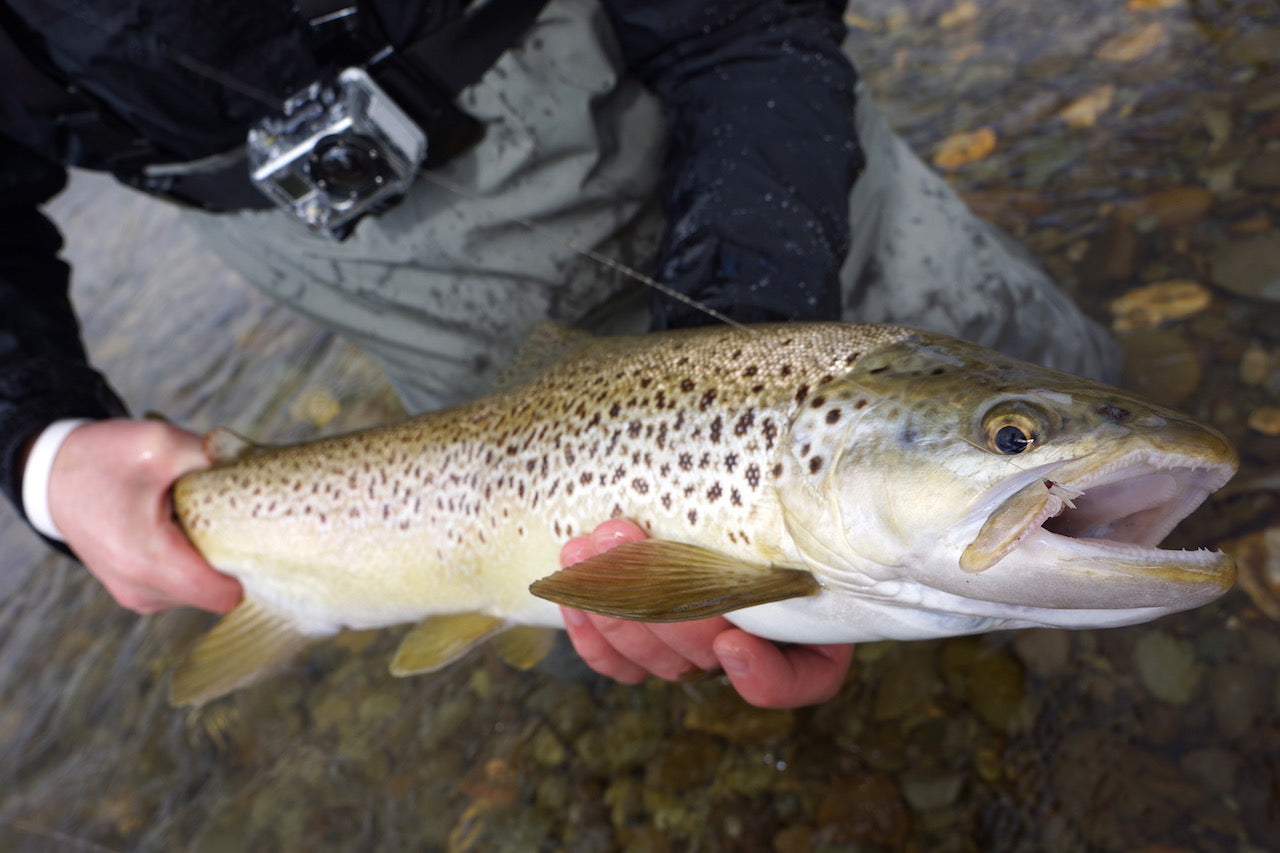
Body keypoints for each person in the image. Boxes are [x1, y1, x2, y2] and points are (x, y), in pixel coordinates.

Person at [0, 0, 1117, 709]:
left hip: (711, 88)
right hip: (349, 244)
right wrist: (44, 450)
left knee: (1046, 391)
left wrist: (746, 332)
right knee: (562, 611)